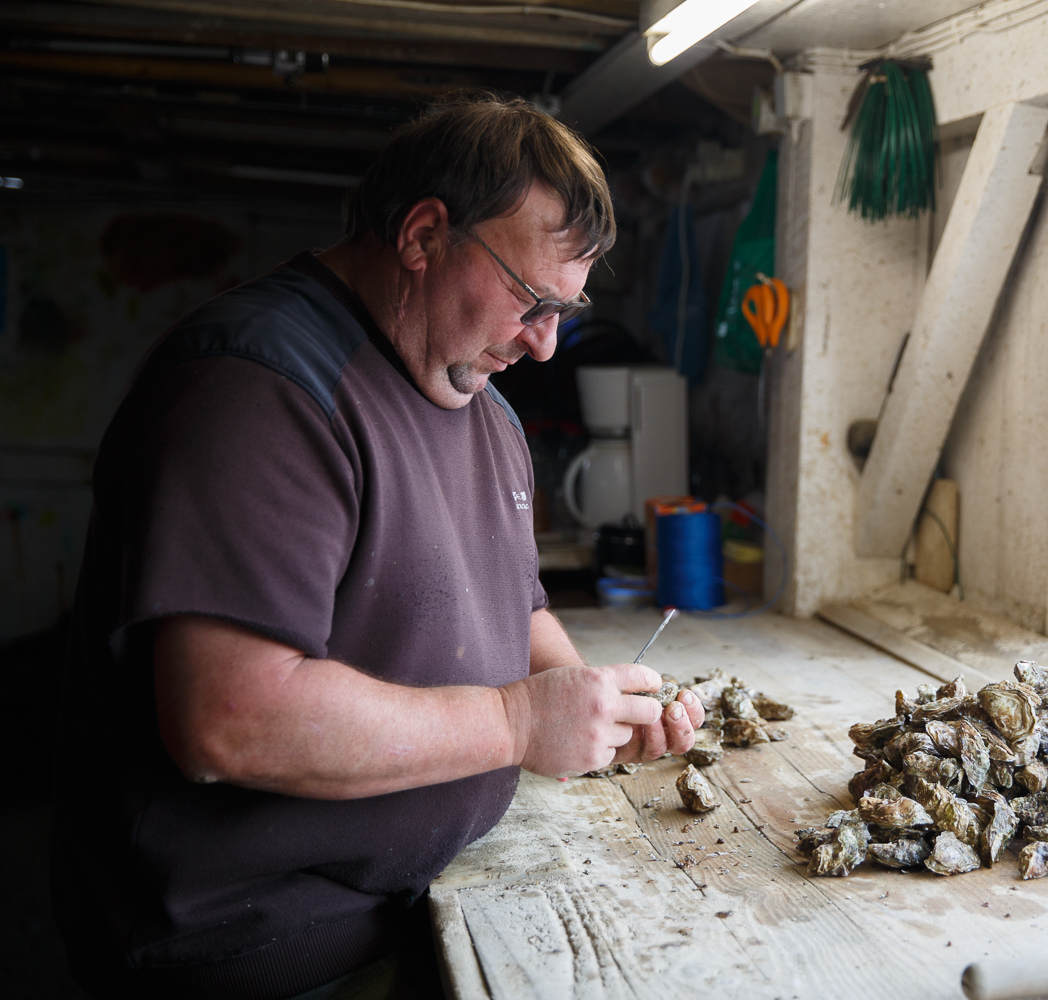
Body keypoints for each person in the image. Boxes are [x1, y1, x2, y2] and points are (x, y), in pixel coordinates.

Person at [49, 92, 704, 1000]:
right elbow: (231, 718)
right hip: (254, 955)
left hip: (406, 903)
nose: (548, 344)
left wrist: (592, 706)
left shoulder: (481, 401)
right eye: (530, 297)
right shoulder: (259, 388)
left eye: (569, 308)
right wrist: (518, 724)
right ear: (426, 235)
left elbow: (512, 605)